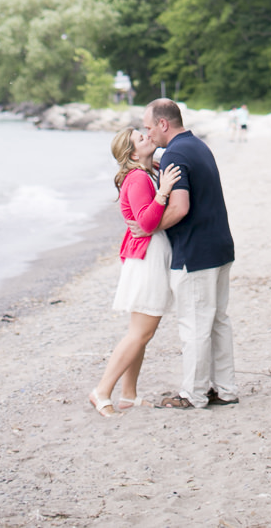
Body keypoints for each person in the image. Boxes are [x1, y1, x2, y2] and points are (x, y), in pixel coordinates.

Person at [135, 98, 237, 410]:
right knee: (218, 320)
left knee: (194, 325)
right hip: (219, 244)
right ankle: (226, 389)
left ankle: (193, 394)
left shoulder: (174, 154)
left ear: (163, 124)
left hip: (195, 252)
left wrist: (150, 229)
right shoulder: (198, 146)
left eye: (149, 127)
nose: (147, 133)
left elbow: (180, 207)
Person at [89, 127, 182, 416]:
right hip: (147, 259)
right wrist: (164, 191)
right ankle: (102, 390)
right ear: (132, 153)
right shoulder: (139, 177)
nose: (147, 136)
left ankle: (128, 394)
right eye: (141, 139)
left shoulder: (147, 171)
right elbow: (148, 222)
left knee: (141, 332)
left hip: (147, 256)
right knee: (140, 333)